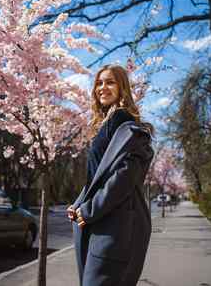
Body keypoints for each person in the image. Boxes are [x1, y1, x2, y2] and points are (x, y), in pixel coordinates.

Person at [67, 64, 154, 286]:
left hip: (117, 226)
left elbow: (123, 179)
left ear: (122, 88)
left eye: (110, 82)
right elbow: (95, 177)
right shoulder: (106, 125)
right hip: (102, 220)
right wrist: (78, 204)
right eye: (99, 82)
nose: (102, 88)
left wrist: (88, 209)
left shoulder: (125, 125)